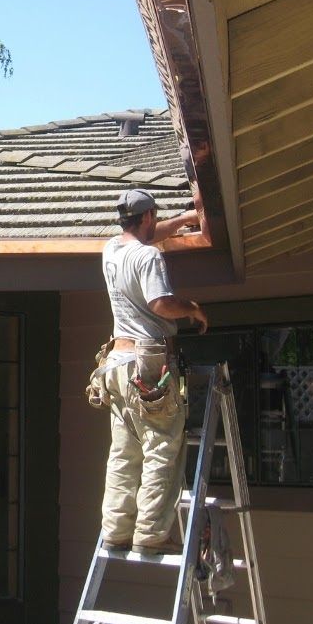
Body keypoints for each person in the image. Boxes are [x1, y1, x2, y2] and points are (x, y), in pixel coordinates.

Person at [98, 188, 208, 554]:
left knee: (124, 451)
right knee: (162, 445)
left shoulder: (112, 249)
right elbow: (160, 303)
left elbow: (149, 236)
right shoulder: (148, 257)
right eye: (155, 218)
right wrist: (192, 308)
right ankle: (150, 534)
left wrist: (184, 221)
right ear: (147, 218)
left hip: (115, 361)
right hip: (148, 363)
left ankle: (115, 529)